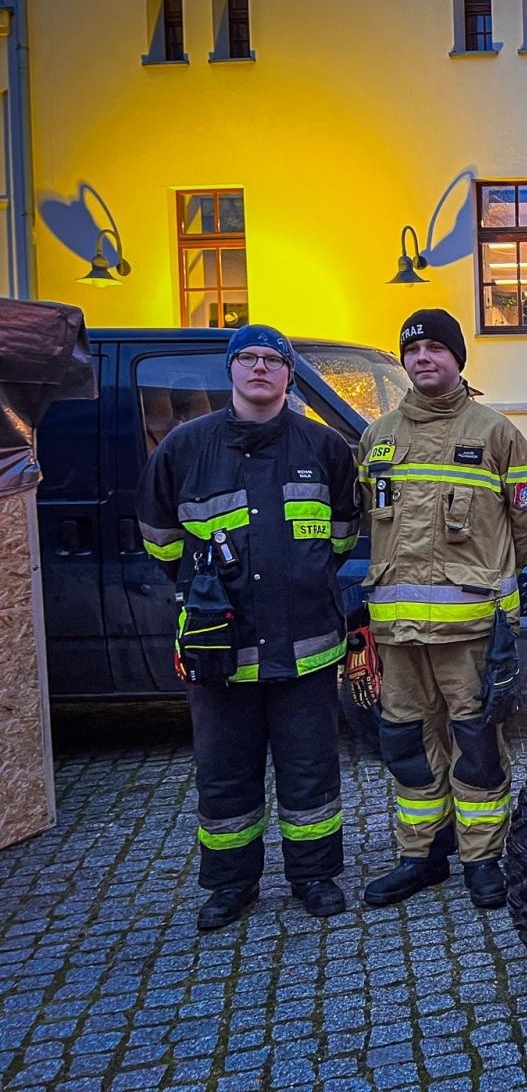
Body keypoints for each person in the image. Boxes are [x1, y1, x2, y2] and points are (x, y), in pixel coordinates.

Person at [138, 325, 359, 929]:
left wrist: (300, 574)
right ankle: (231, 884)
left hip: (306, 645)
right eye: (249, 359)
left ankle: (313, 876)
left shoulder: (325, 447)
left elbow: (341, 537)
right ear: (231, 370)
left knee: (310, 769)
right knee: (224, 771)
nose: (261, 368)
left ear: (288, 373)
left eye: (273, 360)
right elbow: (160, 542)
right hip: (219, 650)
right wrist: (204, 587)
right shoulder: (185, 449)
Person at [359, 309, 527, 910]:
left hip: (472, 628)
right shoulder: (378, 436)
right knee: (407, 745)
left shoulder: (496, 432)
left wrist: (488, 573)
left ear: (457, 359)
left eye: (436, 349)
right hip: (397, 631)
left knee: (476, 744)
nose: (423, 359)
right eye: (412, 350)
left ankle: (482, 858)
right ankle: (419, 855)